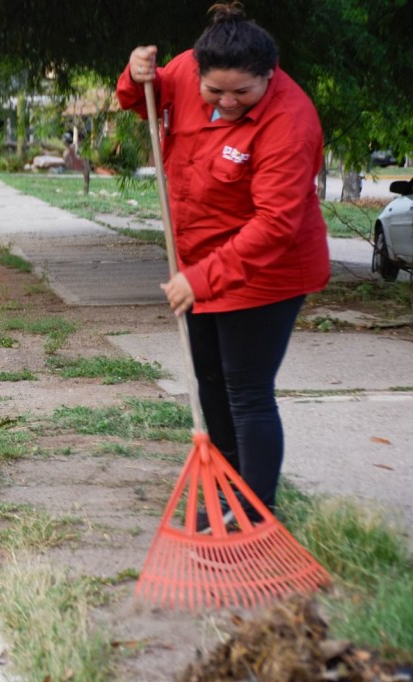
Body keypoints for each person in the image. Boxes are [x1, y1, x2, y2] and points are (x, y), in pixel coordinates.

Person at [117, 2, 330, 527]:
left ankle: (257, 514)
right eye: (216, 92)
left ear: (270, 74)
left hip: (266, 272)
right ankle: (226, 493)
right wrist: (133, 74)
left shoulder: (289, 120)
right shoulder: (189, 69)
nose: (228, 101)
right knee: (208, 379)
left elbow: (276, 224)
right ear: (199, 73)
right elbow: (142, 99)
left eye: (243, 92)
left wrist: (201, 278)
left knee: (247, 390)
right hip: (197, 259)